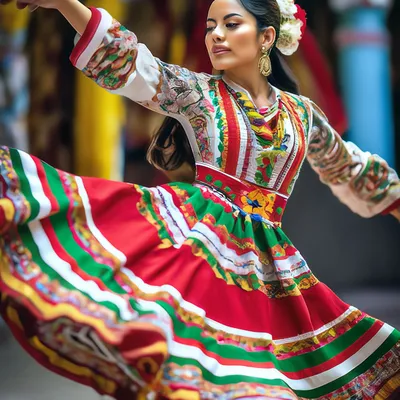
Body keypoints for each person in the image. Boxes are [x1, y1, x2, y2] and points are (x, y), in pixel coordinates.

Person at [0, 0, 400, 398]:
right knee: (190, 369)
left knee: (263, 381)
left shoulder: (303, 114)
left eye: (230, 24)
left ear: (266, 38)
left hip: (271, 266)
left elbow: (349, 167)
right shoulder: (199, 94)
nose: (216, 35)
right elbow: (132, 64)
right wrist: (67, 4)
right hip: (199, 246)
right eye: (210, 26)